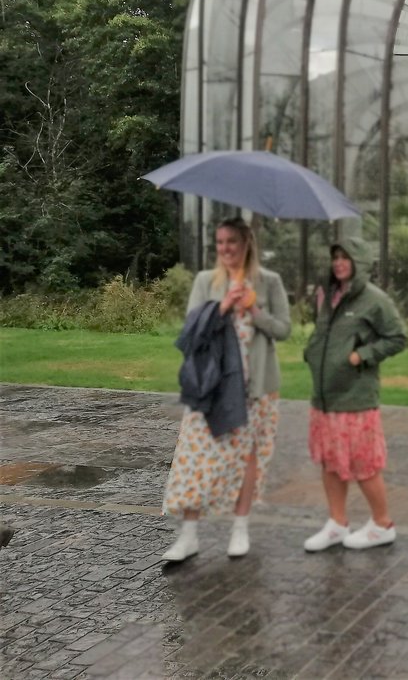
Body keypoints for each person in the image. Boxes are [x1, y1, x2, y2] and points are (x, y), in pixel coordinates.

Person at [161, 216, 291, 561]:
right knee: (196, 457)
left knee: (249, 458)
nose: (225, 249)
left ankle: (240, 528)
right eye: (219, 243)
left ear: (247, 243)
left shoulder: (269, 282)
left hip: (257, 388)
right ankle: (189, 535)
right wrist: (222, 307)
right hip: (213, 388)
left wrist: (253, 308)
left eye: (231, 241)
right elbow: (191, 332)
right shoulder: (206, 281)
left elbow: (283, 329)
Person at [303, 237, 407, 552]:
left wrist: (361, 356)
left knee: (364, 465)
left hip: (356, 399)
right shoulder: (330, 296)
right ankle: (337, 523)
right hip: (325, 398)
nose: (338, 263)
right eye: (335, 257)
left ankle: (382, 524)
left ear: (360, 263)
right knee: (330, 462)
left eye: (345, 257)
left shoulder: (374, 300)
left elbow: (397, 337)